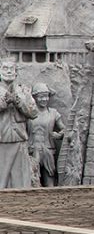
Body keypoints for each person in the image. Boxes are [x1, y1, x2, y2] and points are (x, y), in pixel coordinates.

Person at [0, 60, 37, 189]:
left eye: (11, 69)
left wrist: (18, 101)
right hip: (1, 140)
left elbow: (33, 113)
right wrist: (3, 102)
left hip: (19, 140)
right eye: (5, 68)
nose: (9, 71)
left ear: (16, 72)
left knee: (20, 179)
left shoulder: (23, 91)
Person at [26, 83, 66, 187]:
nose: (44, 99)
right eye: (41, 97)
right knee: (32, 179)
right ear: (35, 97)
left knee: (49, 178)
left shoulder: (53, 113)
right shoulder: (29, 114)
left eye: (46, 96)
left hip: (48, 150)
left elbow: (64, 129)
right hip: (31, 150)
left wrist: (59, 135)